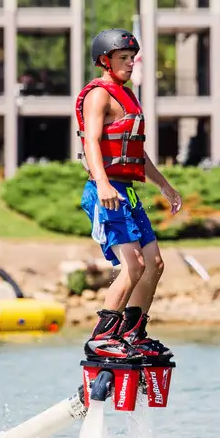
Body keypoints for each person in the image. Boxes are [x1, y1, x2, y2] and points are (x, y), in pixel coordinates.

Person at [75, 28, 182, 362]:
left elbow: (136, 152)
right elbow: (92, 142)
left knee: (155, 263)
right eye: (124, 58)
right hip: (105, 191)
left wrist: (165, 185)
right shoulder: (99, 95)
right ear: (105, 61)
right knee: (133, 265)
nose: (130, 64)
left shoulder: (128, 96)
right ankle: (102, 338)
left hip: (128, 191)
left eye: (132, 59)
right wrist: (103, 182)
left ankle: (132, 334)